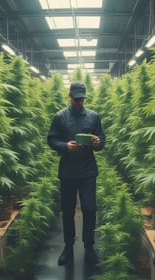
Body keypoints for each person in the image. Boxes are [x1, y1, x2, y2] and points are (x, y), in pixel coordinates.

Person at [47, 81, 105, 266]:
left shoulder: (93, 117)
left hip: (88, 171)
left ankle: (89, 247)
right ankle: (68, 247)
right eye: (76, 98)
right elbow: (51, 139)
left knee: (90, 209)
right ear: (70, 96)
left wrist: (97, 144)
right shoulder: (60, 117)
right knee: (68, 211)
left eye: (82, 98)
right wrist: (65, 146)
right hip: (68, 172)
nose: (79, 102)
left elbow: (101, 139)